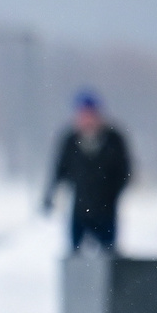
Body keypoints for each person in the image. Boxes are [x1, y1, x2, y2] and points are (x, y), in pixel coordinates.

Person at [43, 90, 133, 253]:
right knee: (75, 254)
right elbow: (59, 170)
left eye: (90, 114)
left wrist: (114, 193)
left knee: (108, 254)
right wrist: (50, 195)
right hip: (79, 209)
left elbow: (125, 171)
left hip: (106, 210)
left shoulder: (113, 140)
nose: (87, 119)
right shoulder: (70, 140)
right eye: (83, 114)